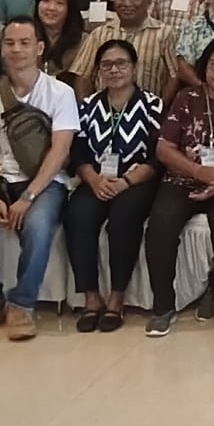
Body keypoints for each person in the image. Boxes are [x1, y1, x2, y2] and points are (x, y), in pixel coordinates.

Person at [0, 17, 79, 341]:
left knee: (37, 227)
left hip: (45, 184)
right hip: (1, 181)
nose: (17, 49)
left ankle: (22, 304)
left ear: (39, 48)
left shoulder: (60, 93)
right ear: (2, 49)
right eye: (10, 43)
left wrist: (28, 197)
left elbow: (60, 151)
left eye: (24, 43)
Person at [147, 38, 214, 335]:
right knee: (160, 226)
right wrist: (198, 171)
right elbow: (164, 149)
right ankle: (163, 305)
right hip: (182, 177)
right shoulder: (186, 98)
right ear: (204, 67)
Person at [64, 40, 163, 333]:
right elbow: (78, 152)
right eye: (106, 65)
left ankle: (117, 298)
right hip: (96, 179)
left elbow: (157, 156)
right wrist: (94, 179)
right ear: (98, 71)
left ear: (134, 68)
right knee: (77, 215)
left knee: (123, 218)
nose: (114, 70)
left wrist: (126, 182)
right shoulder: (88, 106)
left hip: (137, 180)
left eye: (121, 63)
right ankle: (91, 298)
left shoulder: (153, 104)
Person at [69, 0, 179, 103]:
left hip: (148, 113)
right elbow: (83, 77)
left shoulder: (165, 34)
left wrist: (159, 110)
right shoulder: (99, 35)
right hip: (104, 113)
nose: (127, 3)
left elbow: (174, 77)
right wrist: (87, 110)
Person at [34, 0, 85, 86]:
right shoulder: (27, 38)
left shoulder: (84, 42)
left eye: (59, 3)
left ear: (70, 8)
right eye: (46, 0)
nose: (51, 8)